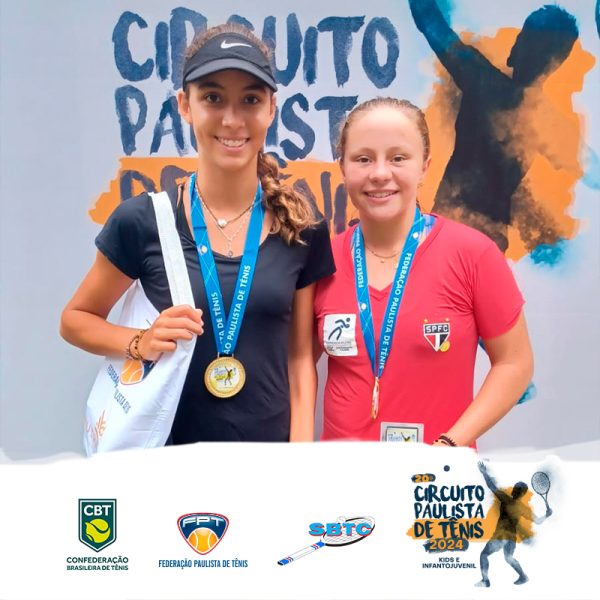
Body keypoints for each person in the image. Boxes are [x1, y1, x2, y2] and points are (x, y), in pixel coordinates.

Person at [60, 23, 335, 443]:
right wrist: (140, 341)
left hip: (268, 465)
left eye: (250, 100)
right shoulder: (143, 221)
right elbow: (75, 320)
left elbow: (300, 361)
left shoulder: (301, 228)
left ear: (271, 109)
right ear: (184, 106)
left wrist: (297, 461)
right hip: (164, 463)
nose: (232, 119)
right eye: (212, 98)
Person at [313, 97, 533, 445]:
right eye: (363, 159)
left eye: (398, 158)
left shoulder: (473, 254)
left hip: (437, 474)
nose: (380, 173)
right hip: (343, 474)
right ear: (343, 166)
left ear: (424, 166)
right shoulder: (321, 261)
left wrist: (450, 444)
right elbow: (294, 367)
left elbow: (514, 363)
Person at [408, 0, 579, 253]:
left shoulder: (483, 80)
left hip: (453, 230)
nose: (518, 43)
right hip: (486, 240)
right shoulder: (548, 123)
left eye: (525, 39)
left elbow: (430, 23)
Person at [476, 461, 552, 587]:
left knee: (484, 555)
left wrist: (484, 473)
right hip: (511, 538)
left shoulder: (506, 499)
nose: (514, 489)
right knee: (509, 558)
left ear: (517, 492)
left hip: (501, 536)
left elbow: (491, 486)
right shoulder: (523, 508)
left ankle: (485, 581)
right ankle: (523, 576)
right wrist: (547, 515)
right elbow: (538, 521)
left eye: (516, 488)